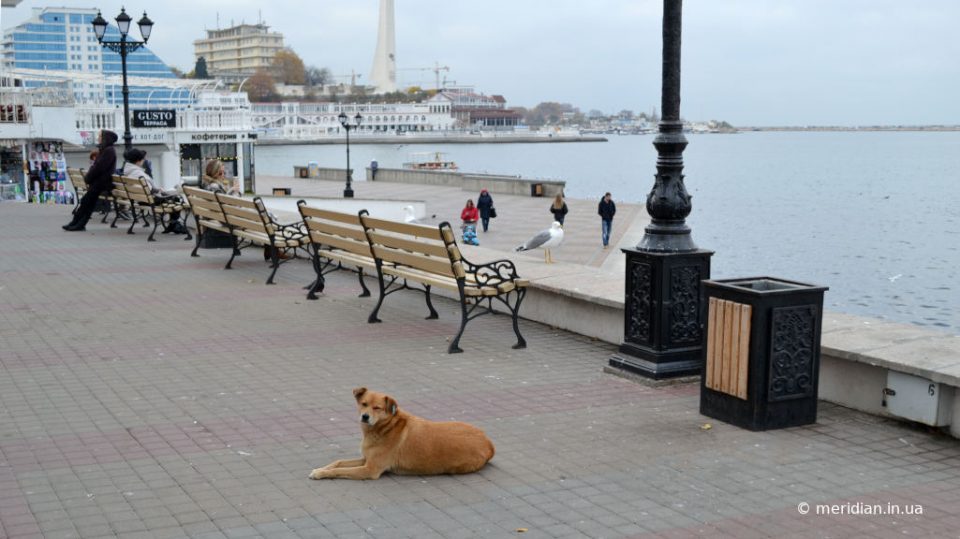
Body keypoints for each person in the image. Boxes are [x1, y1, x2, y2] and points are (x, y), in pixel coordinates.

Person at [122, 148, 188, 234]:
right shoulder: (138, 173)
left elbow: (147, 189)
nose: (144, 161)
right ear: (138, 161)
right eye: (143, 159)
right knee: (176, 198)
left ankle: (174, 224)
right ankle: (175, 224)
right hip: (148, 200)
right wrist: (159, 191)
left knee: (171, 196)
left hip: (141, 199)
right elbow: (149, 190)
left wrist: (157, 190)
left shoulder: (129, 171)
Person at [63, 129, 118, 231]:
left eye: (100, 136)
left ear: (106, 138)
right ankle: (76, 222)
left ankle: (79, 224)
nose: (98, 138)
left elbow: (99, 167)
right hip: (98, 182)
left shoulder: (109, 150)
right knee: (87, 202)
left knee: (87, 201)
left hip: (101, 183)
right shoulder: (105, 149)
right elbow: (97, 166)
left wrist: (88, 177)